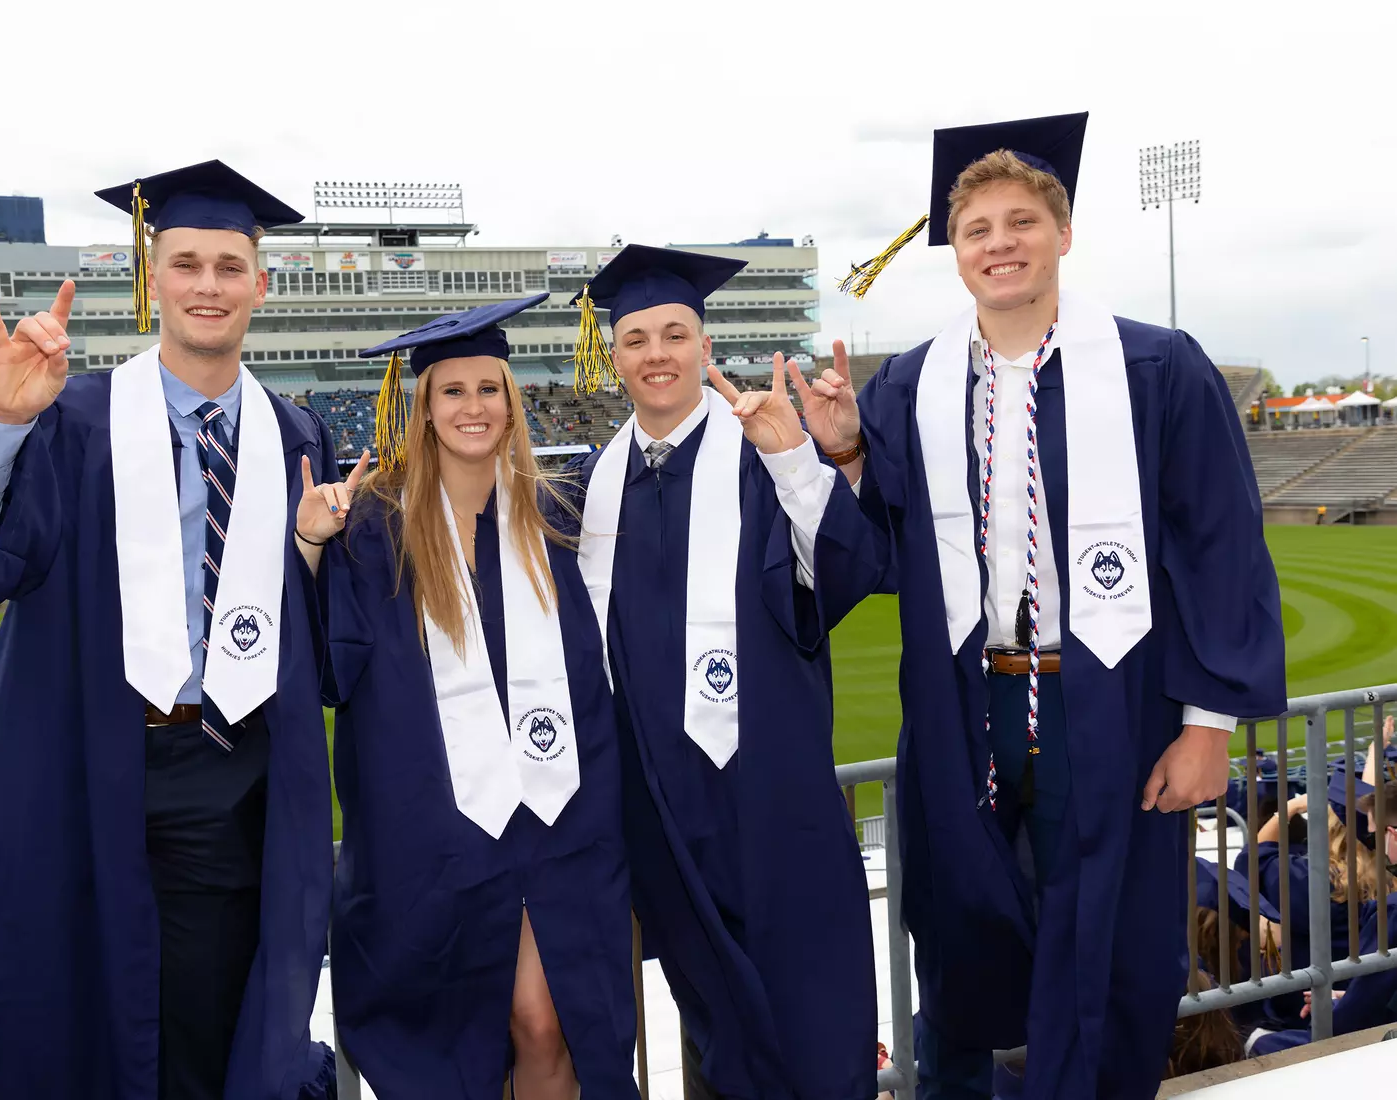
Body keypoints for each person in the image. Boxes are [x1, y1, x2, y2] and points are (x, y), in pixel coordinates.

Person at [797, 113, 1286, 1099]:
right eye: (977, 229)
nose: (1000, 243)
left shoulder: (1158, 369)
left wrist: (1207, 726)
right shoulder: (911, 387)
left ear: (1062, 232)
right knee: (961, 919)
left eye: (1022, 221)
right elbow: (888, 555)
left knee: (1107, 935)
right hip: (963, 704)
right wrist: (847, 450)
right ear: (955, 249)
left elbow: (1221, 549)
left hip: (1106, 700)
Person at [0, 160, 338, 1100]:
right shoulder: (73, 419)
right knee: (80, 1022)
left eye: (227, 265)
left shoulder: (296, 435)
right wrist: (0, 421)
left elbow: (303, 618)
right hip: (87, 764)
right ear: (153, 278)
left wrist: (310, 553)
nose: (207, 285)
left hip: (233, 771)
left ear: (261, 283)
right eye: (185, 263)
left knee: (215, 1029)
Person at [563, 245, 886, 1098]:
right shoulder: (596, 483)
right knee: (711, 1014)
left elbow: (852, 572)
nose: (656, 353)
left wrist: (797, 461)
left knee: (814, 1006)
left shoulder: (759, 451)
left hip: (771, 789)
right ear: (614, 356)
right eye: (636, 338)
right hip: (657, 807)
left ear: (704, 346)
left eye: (675, 333)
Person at [307, 295, 638, 1100]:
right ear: (422, 411)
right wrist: (310, 545)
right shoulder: (373, 532)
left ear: (511, 400)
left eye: (488, 389)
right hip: (435, 836)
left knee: (545, 1021)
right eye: (451, 392)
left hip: (557, 823)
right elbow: (326, 668)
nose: (473, 407)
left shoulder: (555, 514)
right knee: (465, 1041)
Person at [1246, 778, 1397, 1056]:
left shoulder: (1313, 882)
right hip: (1355, 1000)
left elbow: (1252, 860)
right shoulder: (1389, 882)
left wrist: (1288, 808)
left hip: (1309, 1012)